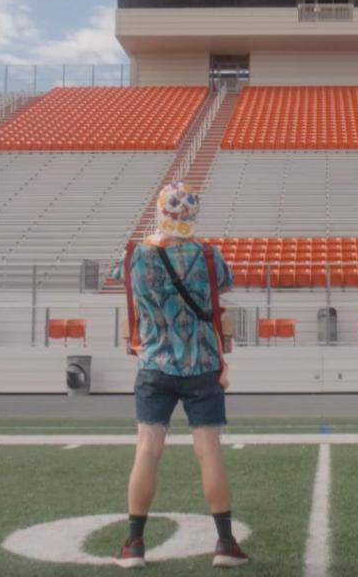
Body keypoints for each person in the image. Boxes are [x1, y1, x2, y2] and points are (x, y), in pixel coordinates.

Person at [114, 182, 248, 569]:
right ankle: (224, 543)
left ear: (161, 211)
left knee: (147, 449)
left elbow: (125, 288)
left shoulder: (135, 255)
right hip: (203, 365)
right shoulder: (208, 255)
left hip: (155, 364)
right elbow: (223, 286)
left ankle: (135, 545)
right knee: (209, 452)